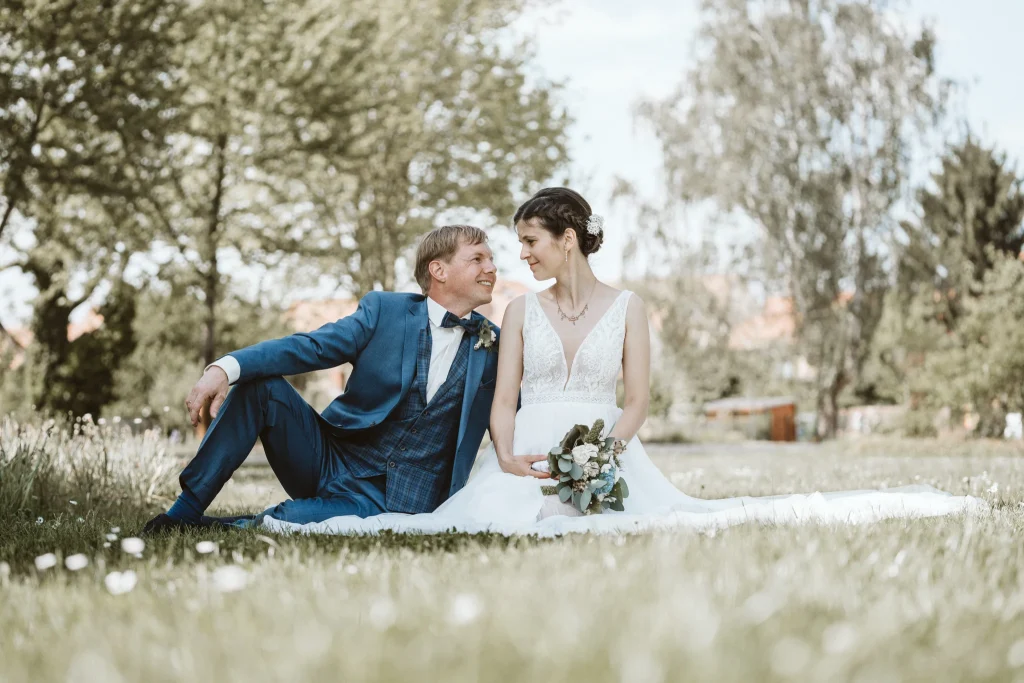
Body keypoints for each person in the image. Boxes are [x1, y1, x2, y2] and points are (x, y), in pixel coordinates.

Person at [261, 187, 983, 537]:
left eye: (532, 241)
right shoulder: (515, 312)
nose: (524, 255)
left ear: (568, 239)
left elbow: (636, 398)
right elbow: (502, 399)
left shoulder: (632, 306)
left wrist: (607, 451)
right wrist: (508, 457)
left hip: (610, 449)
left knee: (666, 517)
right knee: (489, 517)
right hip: (528, 456)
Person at [141, 224, 502, 534]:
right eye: (478, 259)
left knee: (293, 520)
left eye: (491, 259)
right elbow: (309, 347)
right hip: (329, 457)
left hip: (397, 498)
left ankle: (242, 525)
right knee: (260, 386)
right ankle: (183, 512)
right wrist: (225, 368)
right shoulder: (384, 312)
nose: (492, 268)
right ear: (438, 270)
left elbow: (519, 412)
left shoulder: (496, 344)